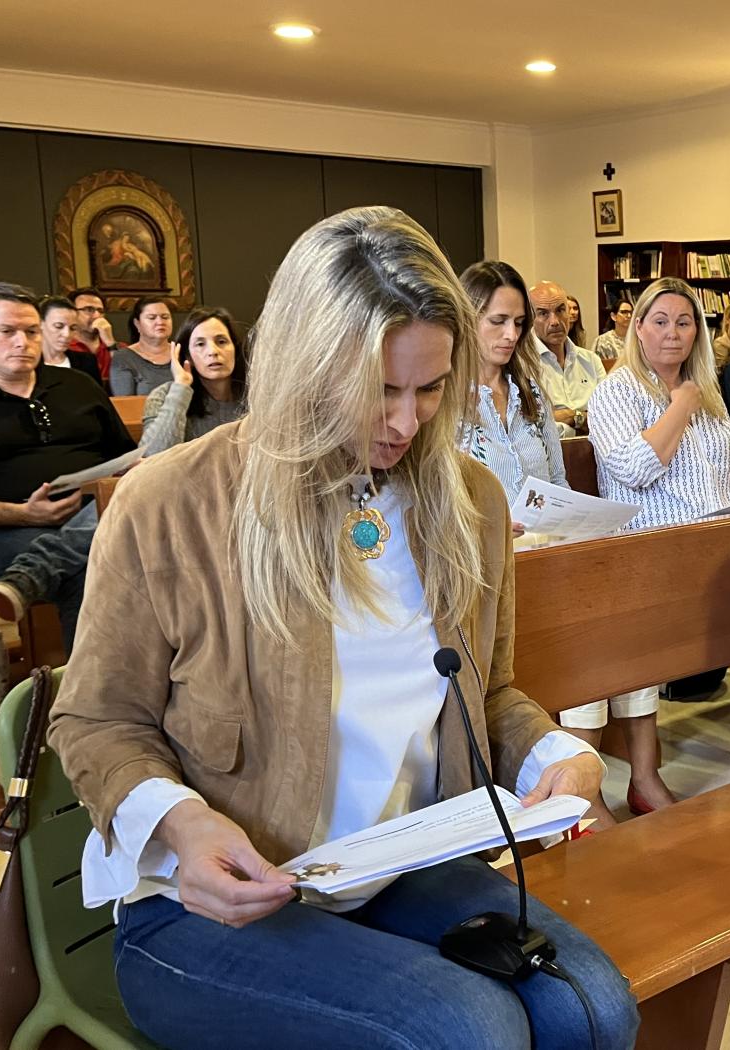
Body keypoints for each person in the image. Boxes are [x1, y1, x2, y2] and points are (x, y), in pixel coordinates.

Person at [46, 207, 639, 1050]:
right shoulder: (171, 503)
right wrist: (180, 822)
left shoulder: (469, 502)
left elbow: (488, 691)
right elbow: (97, 720)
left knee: (592, 1009)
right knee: (469, 1033)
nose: (404, 422)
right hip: (206, 905)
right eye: (376, 392)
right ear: (299, 368)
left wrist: (558, 754)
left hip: (392, 865)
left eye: (430, 388)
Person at [572, 277, 730, 816]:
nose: (673, 334)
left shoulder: (710, 391)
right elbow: (631, 469)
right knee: (610, 642)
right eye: (660, 321)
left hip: (715, 548)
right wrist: (680, 404)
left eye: (684, 322)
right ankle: (616, 783)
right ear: (638, 328)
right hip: (649, 557)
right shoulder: (617, 391)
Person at [0, 283, 136, 648]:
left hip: (100, 510)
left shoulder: (76, 384)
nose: (22, 342)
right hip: (8, 528)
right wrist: (23, 513)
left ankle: (30, 575)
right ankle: (91, 694)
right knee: (94, 567)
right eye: (6, 332)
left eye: (31, 331)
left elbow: (123, 457)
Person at [458, 260, 566, 501]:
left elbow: (557, 479)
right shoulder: (447, 400)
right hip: (481, 537)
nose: (512, 335)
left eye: (518, 323)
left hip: (542, 537)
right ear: (466, 319)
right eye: (498, 321)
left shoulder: (531, 394)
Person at [141, 307, 248, 453]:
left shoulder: (255, 393)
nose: (213, 351)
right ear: (188, 356)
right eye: (200, 344)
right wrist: (180, 387)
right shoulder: (163, 396)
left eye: (221, 342)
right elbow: (153, 457)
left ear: (235, 349)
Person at [530, 281, 605, 435]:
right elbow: (534, 427)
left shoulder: (590, 360)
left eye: (560, 310)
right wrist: (584, 419)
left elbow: (609, 417)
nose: (555, 322)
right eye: (543, 313)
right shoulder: (523, 364)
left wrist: (571, 417)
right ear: (530, 319)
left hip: (596, 453)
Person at [110, 295, 175, 395]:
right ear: (137, 324)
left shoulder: (183, 352)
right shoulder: (124, 358)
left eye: (165, 317)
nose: (160, 322)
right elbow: (125, 405)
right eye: (152, 318)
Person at [38, 295, 104, 386]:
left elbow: (98, 397)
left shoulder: (87, 361)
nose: (67, 334)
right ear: (40, 324)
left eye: (73, 328)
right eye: (59, 326)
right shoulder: (28, 364)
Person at [68, 286, 115, 383]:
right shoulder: (64, 347)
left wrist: (111, 344)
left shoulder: (118, 348)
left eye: (100, 311)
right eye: (89, 309)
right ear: (72, 313)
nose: (97, 316)